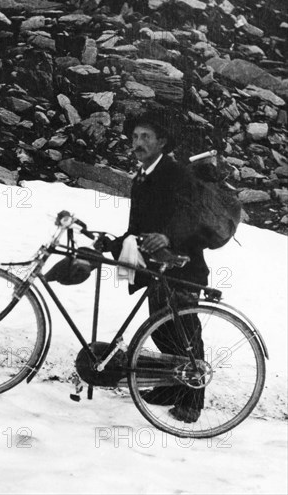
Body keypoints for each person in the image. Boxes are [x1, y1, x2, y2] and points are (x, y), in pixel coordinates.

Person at [100, 110, 210, 423]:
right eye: (135, 137)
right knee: (162, 331)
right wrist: (110, 242)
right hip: (157, 268)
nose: (138, 142)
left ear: (161, 142)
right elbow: (139, 226)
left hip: (185, 266)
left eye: (145, 137)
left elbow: (196, 219)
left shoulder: (177, 174)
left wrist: (167, 236)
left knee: (186, 336)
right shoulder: (142, 176)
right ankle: (167, 389)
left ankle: (192, 400)